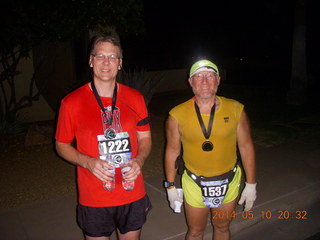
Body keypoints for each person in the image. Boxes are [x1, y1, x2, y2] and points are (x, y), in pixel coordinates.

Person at [55, 34, 152, 240]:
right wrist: (87, 162)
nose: (106, 62)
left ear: (120, 63)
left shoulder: (136, 99)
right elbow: (61, 144)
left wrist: (140, 160)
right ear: (91, 61)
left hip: (131, 192)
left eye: (112, 57)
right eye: (100, 56)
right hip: (94, 197)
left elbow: (145, 139)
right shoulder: (71, 102)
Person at [164, 59, 256, 240]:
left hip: (228, 182)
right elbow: (172, 151)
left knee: (222, 228)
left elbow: (246, 147)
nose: (204, 81)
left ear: (218, 80)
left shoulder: (237, 109)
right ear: (190, 81)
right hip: (194, 183)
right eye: (198, 76)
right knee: (195, 231)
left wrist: (251, 184)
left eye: (210, 76)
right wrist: (170, 186)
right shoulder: (176, 115)